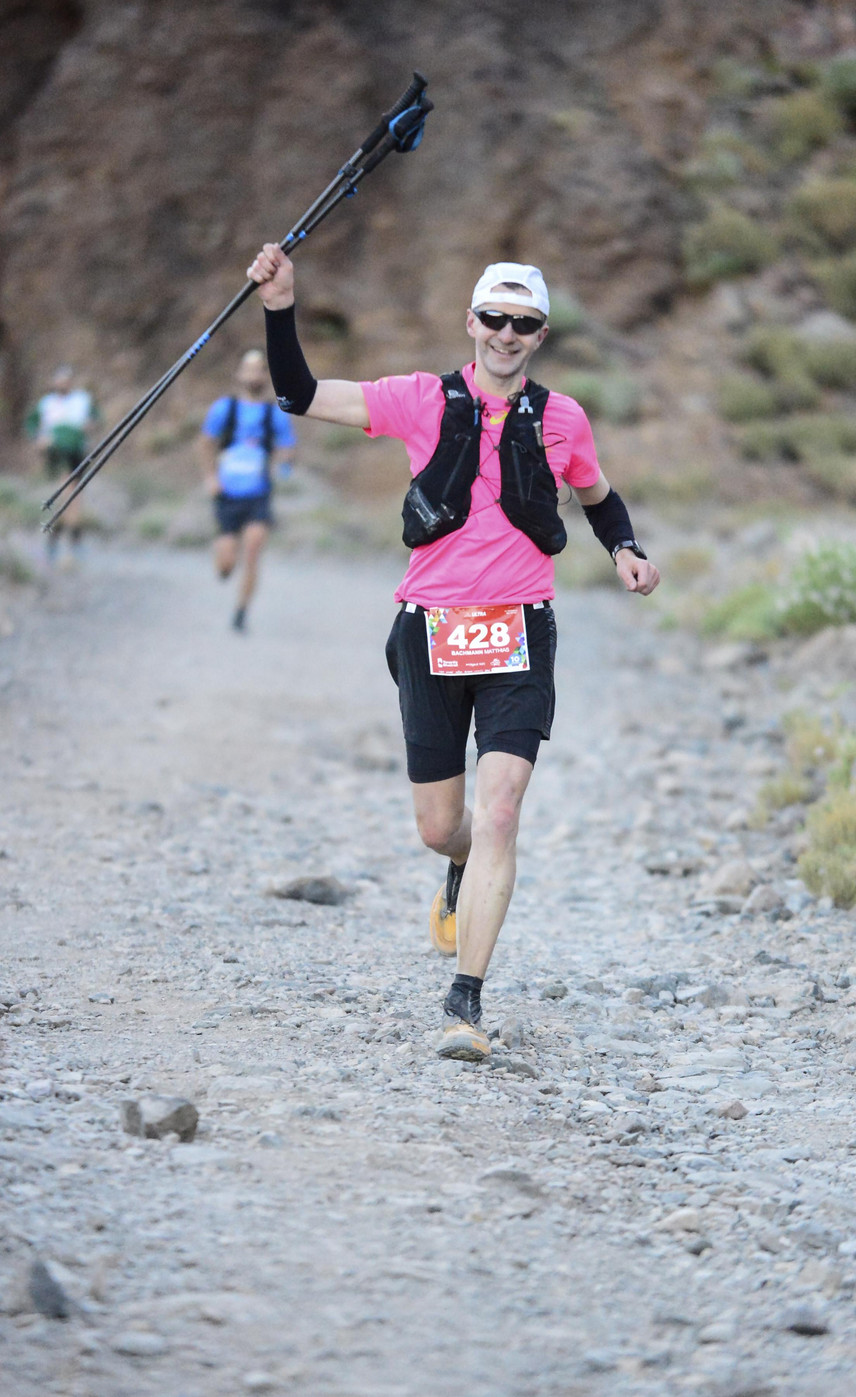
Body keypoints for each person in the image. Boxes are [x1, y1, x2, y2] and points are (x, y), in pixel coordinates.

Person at [247, 243, 660, 1061]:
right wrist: (280, 303)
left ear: (540, 335)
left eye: (526, 323)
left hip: (518, 630)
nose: (508, 334)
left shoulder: (564, 418)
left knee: (502, 808)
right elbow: (297, 393)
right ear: (472, 321)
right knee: (444, 827)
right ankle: (457, 870)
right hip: (429, 630)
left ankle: (465, 1001)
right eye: (496, 318)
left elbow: (598, 498)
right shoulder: (418, 399)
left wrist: (626, 549)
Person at [200, 349, 297, 631]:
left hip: (258, 494)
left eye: (260, 369)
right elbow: (206, 443)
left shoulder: (274, 413)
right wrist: (210, 477)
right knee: (227, 561)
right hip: (227, 493)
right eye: (249, 369)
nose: (254, 375)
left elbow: (287, 446)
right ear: (239, 374)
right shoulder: (224, 408)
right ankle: (225, 565)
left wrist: (284, 465)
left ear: (267, 376)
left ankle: (241, 612)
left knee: (253, 549)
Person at [25, 365, 100, 565]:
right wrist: (38, 440)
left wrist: (90, 425)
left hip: (79, 452)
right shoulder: (47, 403)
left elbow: (96, 418)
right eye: (60, 380)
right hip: (57, 453)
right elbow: (32, 424)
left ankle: (56, 539)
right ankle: (72, 541)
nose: (63, 383)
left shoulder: (82, 400)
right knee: (70, 494)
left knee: (73, 496)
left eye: (66, 380)